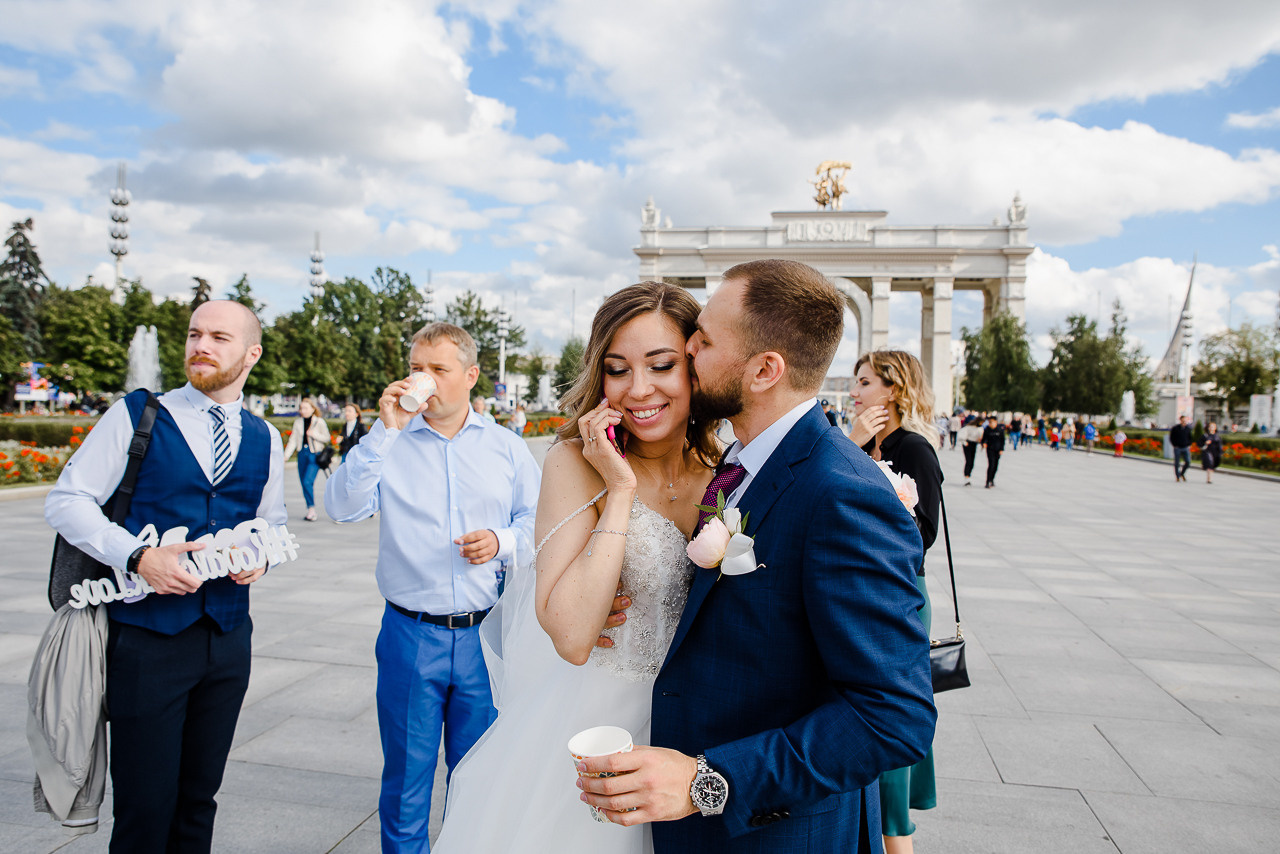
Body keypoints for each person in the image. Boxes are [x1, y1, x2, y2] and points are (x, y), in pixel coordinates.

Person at [577, 260, 935, 853]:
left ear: (766, 370)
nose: (686, 346)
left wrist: (708, 783)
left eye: (705, 339)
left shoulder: (841, 493)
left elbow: (892, 717)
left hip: (779, 833)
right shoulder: (739, 463)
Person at [433, 281, 720, 854]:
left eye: (661, 365)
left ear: (694, 366)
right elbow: (570, 636)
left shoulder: (726, 464)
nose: (639, 389)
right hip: (600, 722)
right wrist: (619, 487)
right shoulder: (572, 462)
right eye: (617, 369)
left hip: (702, 729)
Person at [44, 300, 286, 854]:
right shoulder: (138, 414)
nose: (201, 345)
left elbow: (270, 523)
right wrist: (135, 556)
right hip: (147, 640)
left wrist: (261, 556)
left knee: (199, 799)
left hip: (227, 640)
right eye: (195, 334)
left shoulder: (265, 436)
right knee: (145, 806)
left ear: (251, 353)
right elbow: (67, 500)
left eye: (219, 337)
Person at [324, 322, 541, 854]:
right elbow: (341, 507)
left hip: (484, 635)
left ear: (469, 376)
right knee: (406, 780)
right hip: (409, 633)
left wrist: (501, 540)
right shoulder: (389, 443)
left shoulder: (507, 448)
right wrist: (383, 430)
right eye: (416, 367)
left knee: (477, 774)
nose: (423, 380)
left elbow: (538, 522)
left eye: (438, 370)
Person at [847, 350, 942, 853]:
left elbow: (921, 534)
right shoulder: (866, 443)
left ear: (893, 387)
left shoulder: (913, 449)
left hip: (896, 597)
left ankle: (897, 838)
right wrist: (855, 448)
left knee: (885, 729)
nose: (855, 390)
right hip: (860, 591)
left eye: (865, 381)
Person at [282, 397, 331, 521]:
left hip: (314, 454)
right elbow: (293, 439)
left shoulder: (319, 422)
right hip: (302, 453)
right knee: (303, 481)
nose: (302, 411)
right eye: (301, 408)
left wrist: (314, 434)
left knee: (307, 481)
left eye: (305, 408)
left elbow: (326, 438)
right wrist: (286, 455)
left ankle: (312, 509)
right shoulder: (298, 422)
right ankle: (310, 508)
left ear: (312, 409)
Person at [982, 414, 1005, 488]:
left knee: (995, 466)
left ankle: (992, 479)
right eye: (989, 422)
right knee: (991, 465)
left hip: (997, 450)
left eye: (991, 422)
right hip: (990, 450)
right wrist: (984, 443)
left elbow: (1002, 440)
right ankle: (988, 481)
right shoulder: (987, 429)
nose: (990, 423)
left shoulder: (1000, 430)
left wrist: (1001, 449)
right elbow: (984, 438)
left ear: (995, 422)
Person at [960, 415, 984, 485]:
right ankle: (966, 477)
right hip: (968, 444)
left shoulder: (980, 428)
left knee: (972, 462)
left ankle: (969, 475)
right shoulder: (969, 427)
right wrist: (964, 442)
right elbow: (962, 435)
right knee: (968, 460)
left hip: (974, 444)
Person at [1170, 415, 1192, 481]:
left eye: (1185, 421)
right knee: (1177, 463)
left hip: (1185, 447)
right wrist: (1174, 445)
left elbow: (1190, 437)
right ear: (1180, 420)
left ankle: (1182, 473)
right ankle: (1177, 476)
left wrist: (1189, 444)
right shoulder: (1175, 428)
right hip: (1177, 448)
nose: (1184, 422)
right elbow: (1172, 437)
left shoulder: (1188, 429)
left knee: (1188, 462)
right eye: (1183, 421)